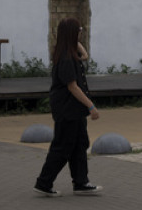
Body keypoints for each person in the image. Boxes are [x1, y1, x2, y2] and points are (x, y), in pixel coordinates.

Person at [34, 17, 102, 197]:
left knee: (80, 144)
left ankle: (81, 182)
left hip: (75, 110)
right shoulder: (65, 58)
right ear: (72, 33)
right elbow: (73, 87)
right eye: (78, 30)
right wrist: (91, 106)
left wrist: (75, 41)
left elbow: (85, 55)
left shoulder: (70, 52)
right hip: (67, 110)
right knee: (62, 146)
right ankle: (44, 182)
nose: (81, 32)